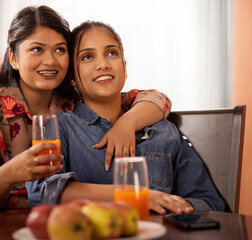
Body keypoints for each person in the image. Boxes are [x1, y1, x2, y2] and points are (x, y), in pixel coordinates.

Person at [0, 6, 172, 211]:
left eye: (59, 50)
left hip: (59, 222)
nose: (50, 61)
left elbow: (157, 99)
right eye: (37, 49)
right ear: (14, 58)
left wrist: (127, 122)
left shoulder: (72, 100)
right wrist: (10, 172)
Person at [26, 21, 224, 214]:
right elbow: (40, 190)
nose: (103, 64)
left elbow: (209, 203)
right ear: (72, 77)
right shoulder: (60, 128)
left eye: (112, 53)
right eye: (87, 57)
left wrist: (166, 208)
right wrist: (133, 197)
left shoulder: (163, 130)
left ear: (124, 67)